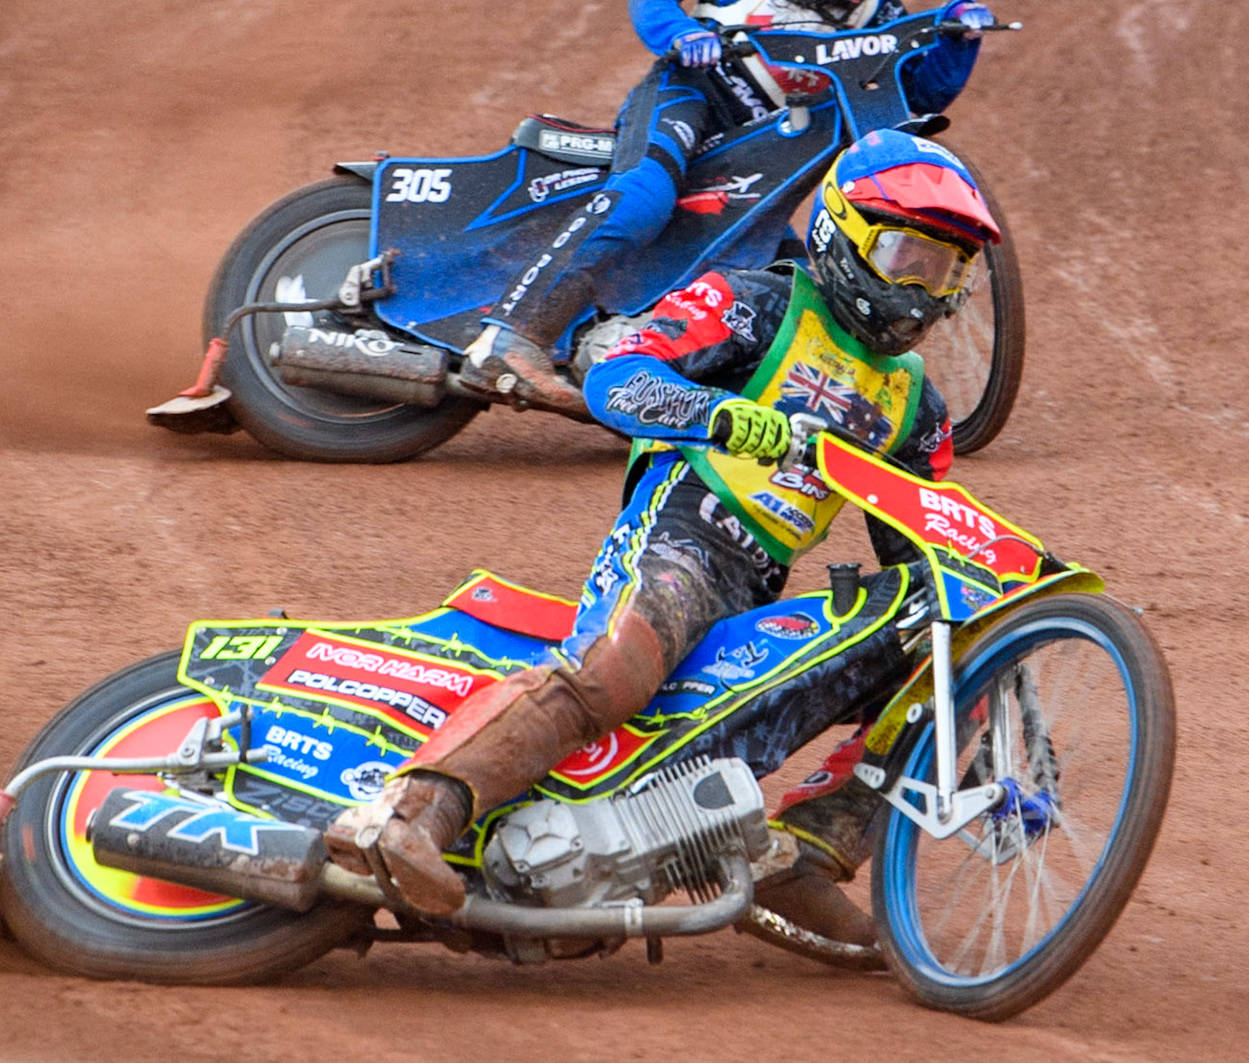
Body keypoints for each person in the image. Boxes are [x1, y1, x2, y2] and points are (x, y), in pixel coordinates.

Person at [328, 127, 1001, 949]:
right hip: (682, 537)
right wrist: (723, 416)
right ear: (842, 235)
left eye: (947, 272)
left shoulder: (918, 408)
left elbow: (918, 552)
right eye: (908, 259)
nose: (924, 292)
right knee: (617, 669)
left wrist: (999, 625)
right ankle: (411, 812)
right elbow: (617, 373)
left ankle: (804, 858)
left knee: (951, 653)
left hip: (758, 584)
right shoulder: (752, 303)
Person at [456, 0, 999, 415]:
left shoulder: (879, 2)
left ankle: (744, 392)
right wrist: (680, 33)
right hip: (691, 96)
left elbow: (911, 100)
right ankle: (509, 339)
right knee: (644, 198)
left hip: (766, 147)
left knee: (795, 276)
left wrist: (958, 44)